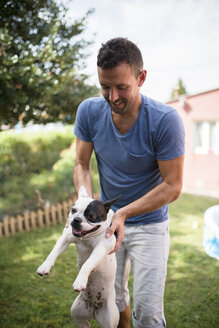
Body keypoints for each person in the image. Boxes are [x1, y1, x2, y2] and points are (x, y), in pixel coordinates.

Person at [73, 37, 185, 328]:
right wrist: (85, 202)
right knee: (113, 298)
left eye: (121, 87)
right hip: (107, 227)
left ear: (141, 77)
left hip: (150, 225)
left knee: (148, 314)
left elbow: (173, 186)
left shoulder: (165, 120)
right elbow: (81, 164)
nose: (112, 96)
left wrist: (122, 212)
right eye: (104, 86)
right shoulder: (88, 111)